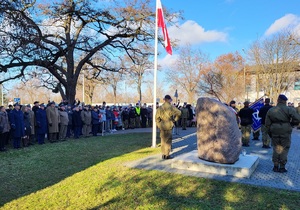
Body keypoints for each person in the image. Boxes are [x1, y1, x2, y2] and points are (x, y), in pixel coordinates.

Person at [265, 94, 300, 173]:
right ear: (285, 101)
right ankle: (282, 167)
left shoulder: (271, 110)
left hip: (274, 130)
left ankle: (275, 166)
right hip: (285, 130)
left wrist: (270, 131)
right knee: (284, 148)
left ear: (278, 100)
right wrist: (292, 124)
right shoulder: (289, 109)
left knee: (276, 148)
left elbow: (267, 123)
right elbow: (297, 119)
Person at [155, 95, 181, 160]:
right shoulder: (171, 107)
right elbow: (179, 113)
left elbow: (157, 118)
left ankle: (163, 154)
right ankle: (167, 154)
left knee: (163, 140)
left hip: (162, 125)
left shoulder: (160, 108)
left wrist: (159, 124)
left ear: (164, 99)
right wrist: (175, 120)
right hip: (169, 124)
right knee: (168, 140)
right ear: (169, 100)